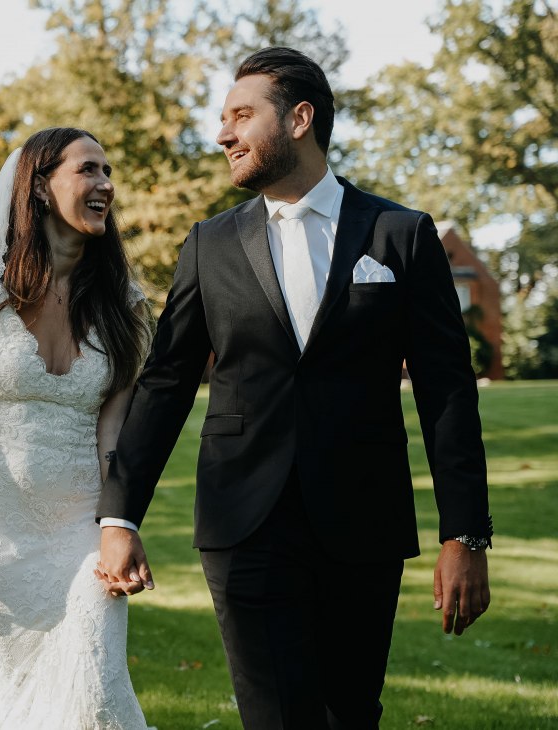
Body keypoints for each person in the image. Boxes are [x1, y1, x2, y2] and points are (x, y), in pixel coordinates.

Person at [95, 47, 493, 729]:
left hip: (364, 521)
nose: (223, 134)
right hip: (244, 522)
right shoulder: (209, 245)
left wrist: (465, 535)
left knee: (350, 714)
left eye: (241, 115)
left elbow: (448, 392)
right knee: (275, 715)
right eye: (223, 119)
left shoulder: (401, 236)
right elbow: (164, 383)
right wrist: (119, 517)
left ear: (301, 118)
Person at [0, 127, 153, 729]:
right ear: (42, 188)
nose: (106, 184)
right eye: (89, 170)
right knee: (9, 693)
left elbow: (114, 432)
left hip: (82, 531)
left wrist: (118, 524)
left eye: (108, 171)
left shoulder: (124, 305)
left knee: (96, 686)